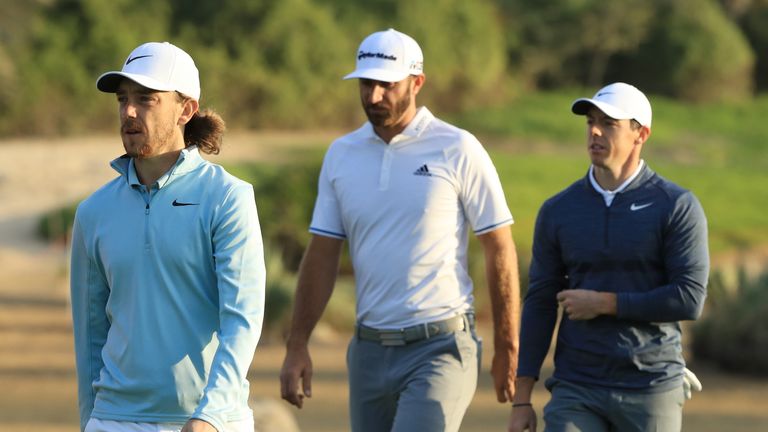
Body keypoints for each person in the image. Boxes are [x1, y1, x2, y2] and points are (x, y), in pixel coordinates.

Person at [279, 28, 521, 432]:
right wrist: (297, 344)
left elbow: (500, 246)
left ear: (416, 82)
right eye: (365, 84)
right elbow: (322, 253)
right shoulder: (341, 154)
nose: (373, 96)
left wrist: (507, 346)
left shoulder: (457, 147)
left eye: (386, 85)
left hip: (441, 348)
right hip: (368, 353)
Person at [70, 41, 265, 432]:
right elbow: (90, 333)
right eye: (123, 99)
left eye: (146, 99)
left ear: (186, 109)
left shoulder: (227, 198)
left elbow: (242, 318)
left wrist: (210, 414)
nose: (128, 111)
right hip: (114, 420)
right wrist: (90, 420)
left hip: (210, 420)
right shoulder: (93, 212)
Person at [508, 82, 709, 432]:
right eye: (590, 122)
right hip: (576, 385)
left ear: (640, 134)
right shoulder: (559, 210)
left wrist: (605, 303)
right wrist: (522, 397)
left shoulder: (675, 205)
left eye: (609, 123)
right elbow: (540, 302)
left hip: (651, 384)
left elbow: (688, 299)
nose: (595, 131)